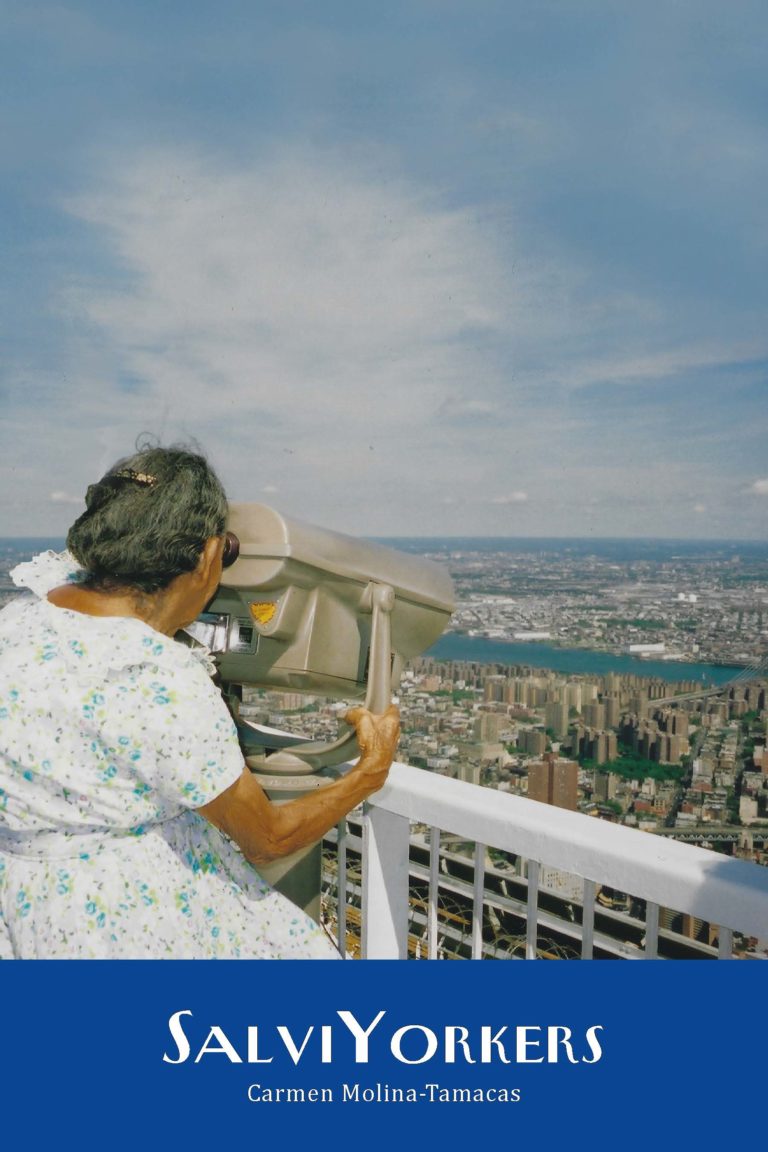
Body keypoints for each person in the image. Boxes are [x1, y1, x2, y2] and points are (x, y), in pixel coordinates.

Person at [0, 445, 400, 959]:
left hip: (26, 902)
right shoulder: (158, 677)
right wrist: (370, 772)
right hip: (122, 921)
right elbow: (268, 838)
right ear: (209, 555)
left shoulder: (15, 623)